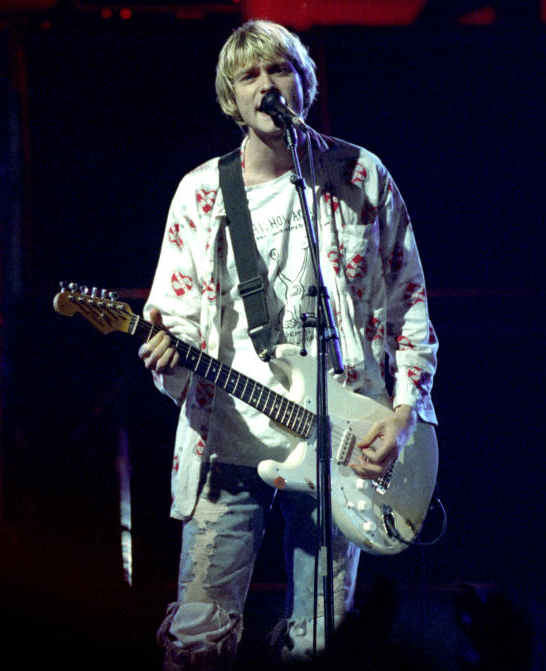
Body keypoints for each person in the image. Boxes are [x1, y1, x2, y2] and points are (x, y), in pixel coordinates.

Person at [137, 19, 438, 669]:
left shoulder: (359, 175)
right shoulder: (201, 193)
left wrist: (405, 414)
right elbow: (175, 314)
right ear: (230, 100)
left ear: (304, 83)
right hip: (229, 439)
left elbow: (408, 302)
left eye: (280, 70)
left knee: (321, 640)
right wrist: (169, 347)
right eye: (249, 76)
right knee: (199, 638)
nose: (266, 84)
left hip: (341, 439)